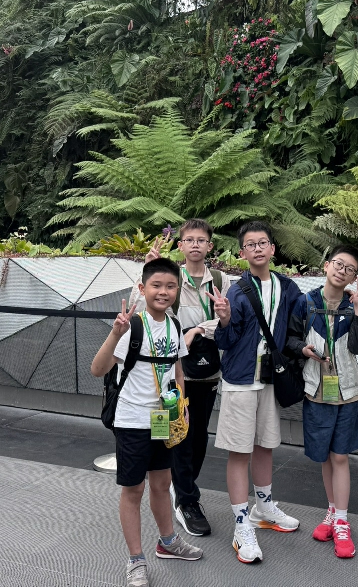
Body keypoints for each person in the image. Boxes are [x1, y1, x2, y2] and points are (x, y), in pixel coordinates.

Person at [90, 258, 203, 587]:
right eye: (156, 285)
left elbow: (177, 371)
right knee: (134, 489)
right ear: (142, 288)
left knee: (162, 482)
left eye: (170, 286)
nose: (163, 292)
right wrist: (115, 333)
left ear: (177, 290)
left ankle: (168, 542)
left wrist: (181, 405)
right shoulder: (132, 326)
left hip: (162, 417)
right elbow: (98, 369)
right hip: (132, 419)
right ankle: (136, 559)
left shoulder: (174, 325)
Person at [212, 221, 304, 564]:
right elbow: (226, 340)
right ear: (242, 253)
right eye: (250, 245)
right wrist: (224, 319)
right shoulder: (237, 292)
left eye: (263, 242)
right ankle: (241, 524)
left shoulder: (287, 287)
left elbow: (299, 323)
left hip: (269, 379)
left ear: (272, 249)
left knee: (265, 445)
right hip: (240, 379)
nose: (258, 249)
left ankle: (263, 508)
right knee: (240, 451)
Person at [136, 220, 230, 538]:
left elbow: (229, 319)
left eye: (201, 240)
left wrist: (199, 329)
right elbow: (148, 313)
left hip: (206, 372)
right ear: (180, 246)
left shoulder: (221, 280)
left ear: (210, 246)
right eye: (189, 240)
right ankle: (186, 499)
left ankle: (182, 487)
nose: (195, 245)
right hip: (171, 374)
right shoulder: (170, 279)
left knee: (198, 435)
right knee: (172, 435)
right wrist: (146, 272)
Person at [284, 245, 358, 559]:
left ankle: (342, 521)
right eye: (338, 263)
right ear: (326, 265)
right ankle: (332, 511)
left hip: (346, 392)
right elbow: (290, 338)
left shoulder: (353, 304)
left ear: (354, 276)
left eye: (350, 268)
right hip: (316, 389)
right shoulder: (305, 302)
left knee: (340, 457)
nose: (342, 270)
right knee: (324, 457)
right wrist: (303, 349)